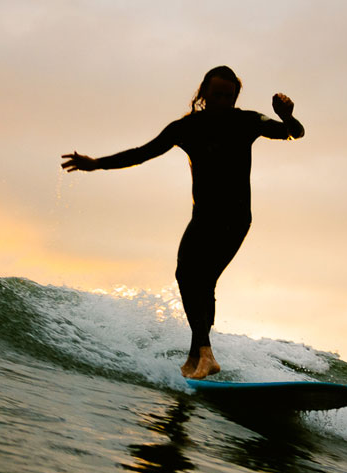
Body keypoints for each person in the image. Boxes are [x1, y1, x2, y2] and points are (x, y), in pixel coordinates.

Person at [61, 66, 304, 379]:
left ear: (235, 98)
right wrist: (98, 165)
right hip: (204, 218)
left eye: (228, 96)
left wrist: (288, 116)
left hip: (234, 217)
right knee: (201, 282)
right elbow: (141, 153)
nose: (222, 101)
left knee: (192, 277)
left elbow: (294, 133)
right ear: (203, 92)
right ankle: (196, 360)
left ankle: (203, 353)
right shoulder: (186, 128)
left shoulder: (247, 121)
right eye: (216, 94)